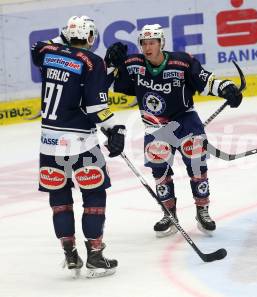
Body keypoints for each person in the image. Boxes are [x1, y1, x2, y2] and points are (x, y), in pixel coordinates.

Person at [105, 24, 242, 237]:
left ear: (161, 43)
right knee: (159, 169)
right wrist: (110, 64)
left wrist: (226, 88)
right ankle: (169, 213)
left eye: (152, 42)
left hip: (185, 121)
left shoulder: (182, 62)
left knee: (197, 164)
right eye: (144, 43)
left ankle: (202, 210)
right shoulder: (133, 64)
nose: (148, 47)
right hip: (155, 125)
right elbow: (107, 84)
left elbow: (206, 81)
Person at [31, 16, 126, 277]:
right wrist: (115, 129)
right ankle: (95, 255)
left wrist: (109, 68)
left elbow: (37, 49)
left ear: (65, 34)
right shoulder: (92, 61)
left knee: (59, 199)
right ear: (91, 37)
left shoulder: (47, 51)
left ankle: (70, 255)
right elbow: (95, 105)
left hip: (49, 144)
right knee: (94, 194)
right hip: (80, 143)